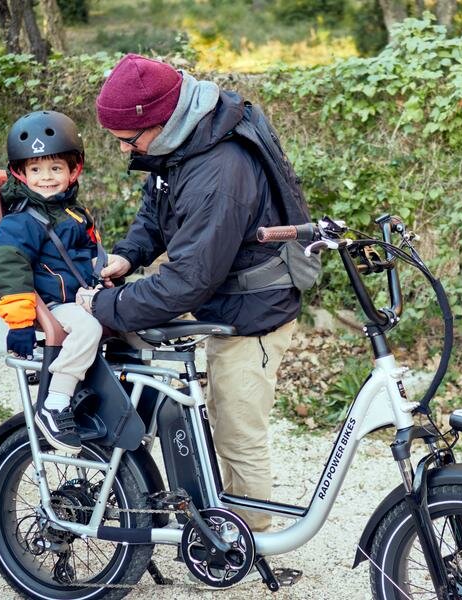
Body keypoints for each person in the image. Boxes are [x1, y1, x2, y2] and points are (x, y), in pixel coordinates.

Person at [76, 54, 315, 532]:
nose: (122, 149)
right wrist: (129, 256)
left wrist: (107, 305)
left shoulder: (219, 171)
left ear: (159, 121)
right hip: (222, 291)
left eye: (127, 140)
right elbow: (158, 206)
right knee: (141, 348)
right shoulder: (186, 135)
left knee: (237, 430)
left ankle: (246, 540)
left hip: (254, 311)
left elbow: (188, 280)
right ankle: (158, 469)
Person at [0, 110, 103, 454]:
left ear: (73, 171)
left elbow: (91, 254)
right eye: (36, 170)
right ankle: (55, 403)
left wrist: (103, 277)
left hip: (81, 296)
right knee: (88, 329)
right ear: (21, 174)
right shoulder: (21, 222)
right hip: (54, 304)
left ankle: (118, 390)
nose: (47, 178)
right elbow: (9, 268)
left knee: (130, 316)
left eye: (55, 168)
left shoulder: (75, 213)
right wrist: (21, 323)